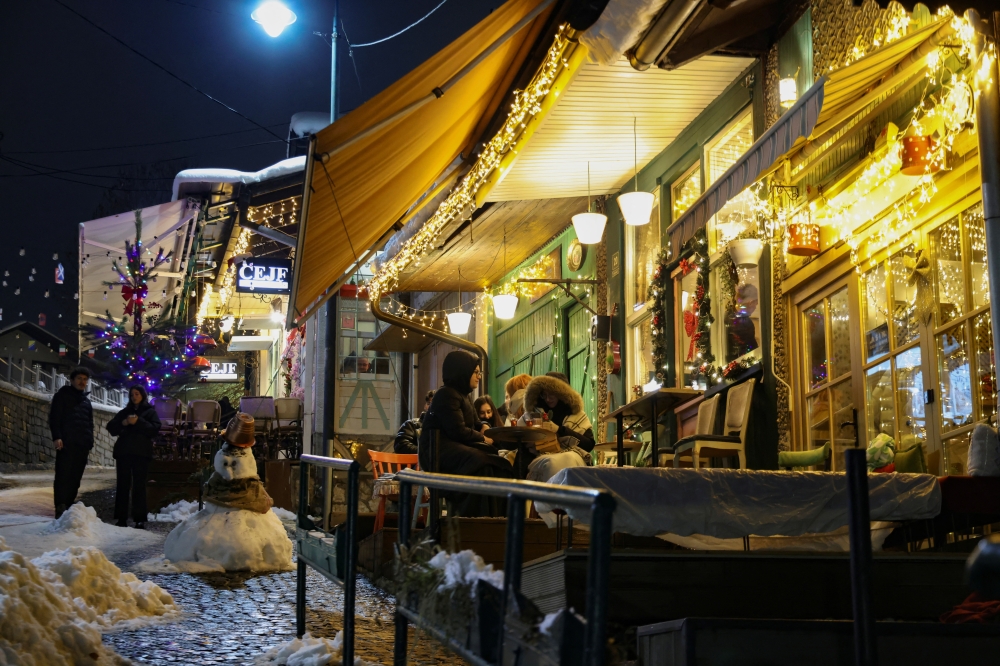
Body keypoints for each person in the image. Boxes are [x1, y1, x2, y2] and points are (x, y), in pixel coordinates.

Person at [419, 350, 513, 516]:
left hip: (456, 449)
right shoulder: (446, 395)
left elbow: (476, 423)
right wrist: (483, 437)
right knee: (482, 462)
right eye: (476, 372)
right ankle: (472, 520)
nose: (479, 376)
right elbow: (458, 431)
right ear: (462, 371)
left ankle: (496, 519)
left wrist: (484, 426)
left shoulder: (464, 396)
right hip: (438, 452)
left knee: (498, 464)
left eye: (479, 372)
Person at [518, 372, 596, 482]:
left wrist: (559, 430)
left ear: (562, 393)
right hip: (539, 456)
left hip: (571, 455)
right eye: (544, 395)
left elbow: (588, 444)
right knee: (551, 464)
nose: (548, 399)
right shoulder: (533, 414)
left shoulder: (576, 414)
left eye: (552, 394)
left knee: (566, 460)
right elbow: (515, 437)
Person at [106, 385, 161, 528]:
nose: (134, 397)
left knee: (139, 486)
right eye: (132, 395)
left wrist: (138, 422)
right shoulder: (125, 412)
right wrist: (124, 423)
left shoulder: (149, 412)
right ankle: (121, 517)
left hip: (141, 453)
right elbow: (111, 427)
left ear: (142, 395)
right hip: (124, 452)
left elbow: (154, 429)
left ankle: (139, 518)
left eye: (137, 394)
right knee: (123, 485)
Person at [49, 366, 94, 518]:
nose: (82, 382)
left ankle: (69, 504)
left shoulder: (86, 402)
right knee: (63, 475)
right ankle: (60, 506)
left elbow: (89, 423)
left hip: (82, 445)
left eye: (85, 379)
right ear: (72, 380)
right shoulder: (62, 396)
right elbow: (55, 418)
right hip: (66, 443)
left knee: (76, 477)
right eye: (80, 379)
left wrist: (89, 442)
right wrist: (57, 437)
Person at [394, 390, 434, 455]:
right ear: (425, 406)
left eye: (434, 404)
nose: (431, 407)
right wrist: (426, 452)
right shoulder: (411, 424)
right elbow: (401, 446)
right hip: (415, 464)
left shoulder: (446, 428)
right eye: (429, 403)